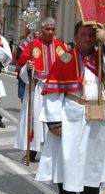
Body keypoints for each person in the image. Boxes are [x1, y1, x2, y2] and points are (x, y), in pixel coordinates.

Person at [35, 22, 105, 194]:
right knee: (70, 159)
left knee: (94, 159)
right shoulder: (65, 59)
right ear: (76, 37)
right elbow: (53, 92)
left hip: (98, 116)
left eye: (92, 35)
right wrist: (54, 122)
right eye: (83, 35)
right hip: (73, 116)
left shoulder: (102, 58)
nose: (87, 39)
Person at [13, 18, 67, 161]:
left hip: (56, 90)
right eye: (47, 29)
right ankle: (32, 151)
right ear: (41, 30)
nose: (50, 32)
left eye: (53, 29)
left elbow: (68, 68)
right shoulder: (32, 46)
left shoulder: (61, 47)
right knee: (35, 119)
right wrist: (28, 68)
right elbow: (22, 71)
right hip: (37, 88)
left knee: (55, 119)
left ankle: (53, 151)